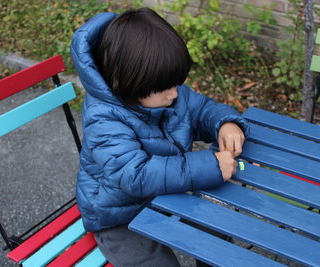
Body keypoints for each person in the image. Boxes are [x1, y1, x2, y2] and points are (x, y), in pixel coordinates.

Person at [71, 7, 249, 267]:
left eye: (175, 83)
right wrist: (210, 165)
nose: (174, 94)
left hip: (165, 195)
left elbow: (203, 110)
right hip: (118, 214)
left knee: (215, 238)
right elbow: (136, 175)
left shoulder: (164, 93)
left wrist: (227, 124)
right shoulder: (104, 118)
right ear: (130, 82)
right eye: (165, 87)